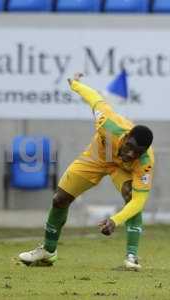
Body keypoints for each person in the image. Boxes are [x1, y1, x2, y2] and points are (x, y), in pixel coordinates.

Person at [19, 73, 154, 271]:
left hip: (121, 170)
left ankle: (131, 257)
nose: (131, 153)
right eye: (130, 146)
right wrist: (75, 84)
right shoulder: (108, 124)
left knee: (131, 194)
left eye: (137, 152)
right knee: (59, 199)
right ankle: (48, 251)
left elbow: (139, 202)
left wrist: (115, 221)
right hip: (97, 158)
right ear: (125, 137)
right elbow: (95, 99)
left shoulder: (145, 161)